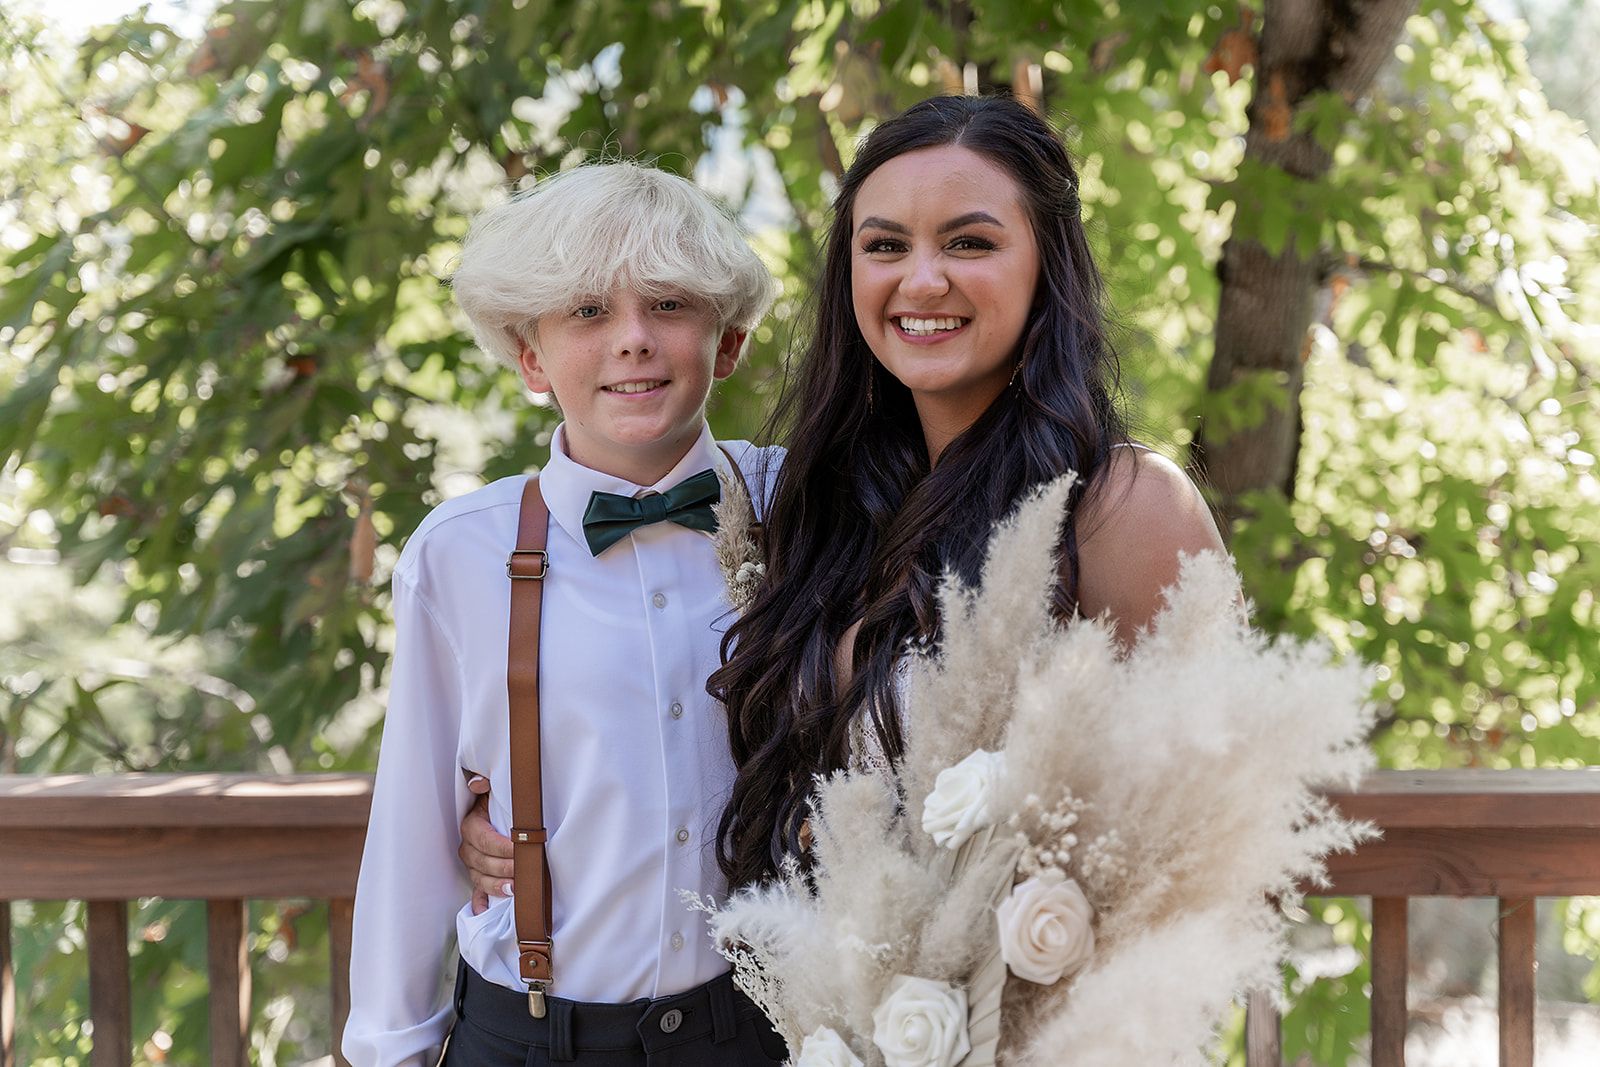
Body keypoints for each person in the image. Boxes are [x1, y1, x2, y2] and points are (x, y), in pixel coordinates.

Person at [458, 95, 1226, 898]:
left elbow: (1223, 841)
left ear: (1045, 264)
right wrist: (501, 825)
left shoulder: (1123, 506)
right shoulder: (821, 501)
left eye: (969, 242)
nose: (922, 280)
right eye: (885, 245)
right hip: (813, 1016)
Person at [344, 162, 788, 1067]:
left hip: (759, 1026)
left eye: (669, 304)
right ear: (532, 357)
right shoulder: (460, 552)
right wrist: (389, 1044)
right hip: (528, 1036)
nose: (632, 339)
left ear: (729, 339)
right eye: (588, 311)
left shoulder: (807, 508)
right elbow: (415, 822)